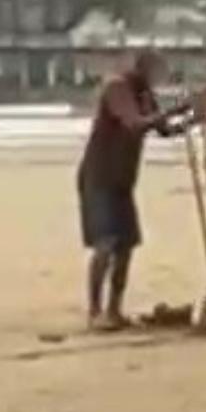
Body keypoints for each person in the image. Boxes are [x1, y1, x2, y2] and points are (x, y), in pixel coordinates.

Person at [78, 51, 193, 331]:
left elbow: (162, 128)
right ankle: (95, 311)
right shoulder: (117, 87)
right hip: (99, 176)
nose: (158, 77)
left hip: (123, 180)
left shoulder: (144, 93)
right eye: (156, 70)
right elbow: (135, 124)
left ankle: (114, 309)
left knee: (126, 247)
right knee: (105, 245)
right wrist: (178, 108)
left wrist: (191, 120)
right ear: (141, 68)